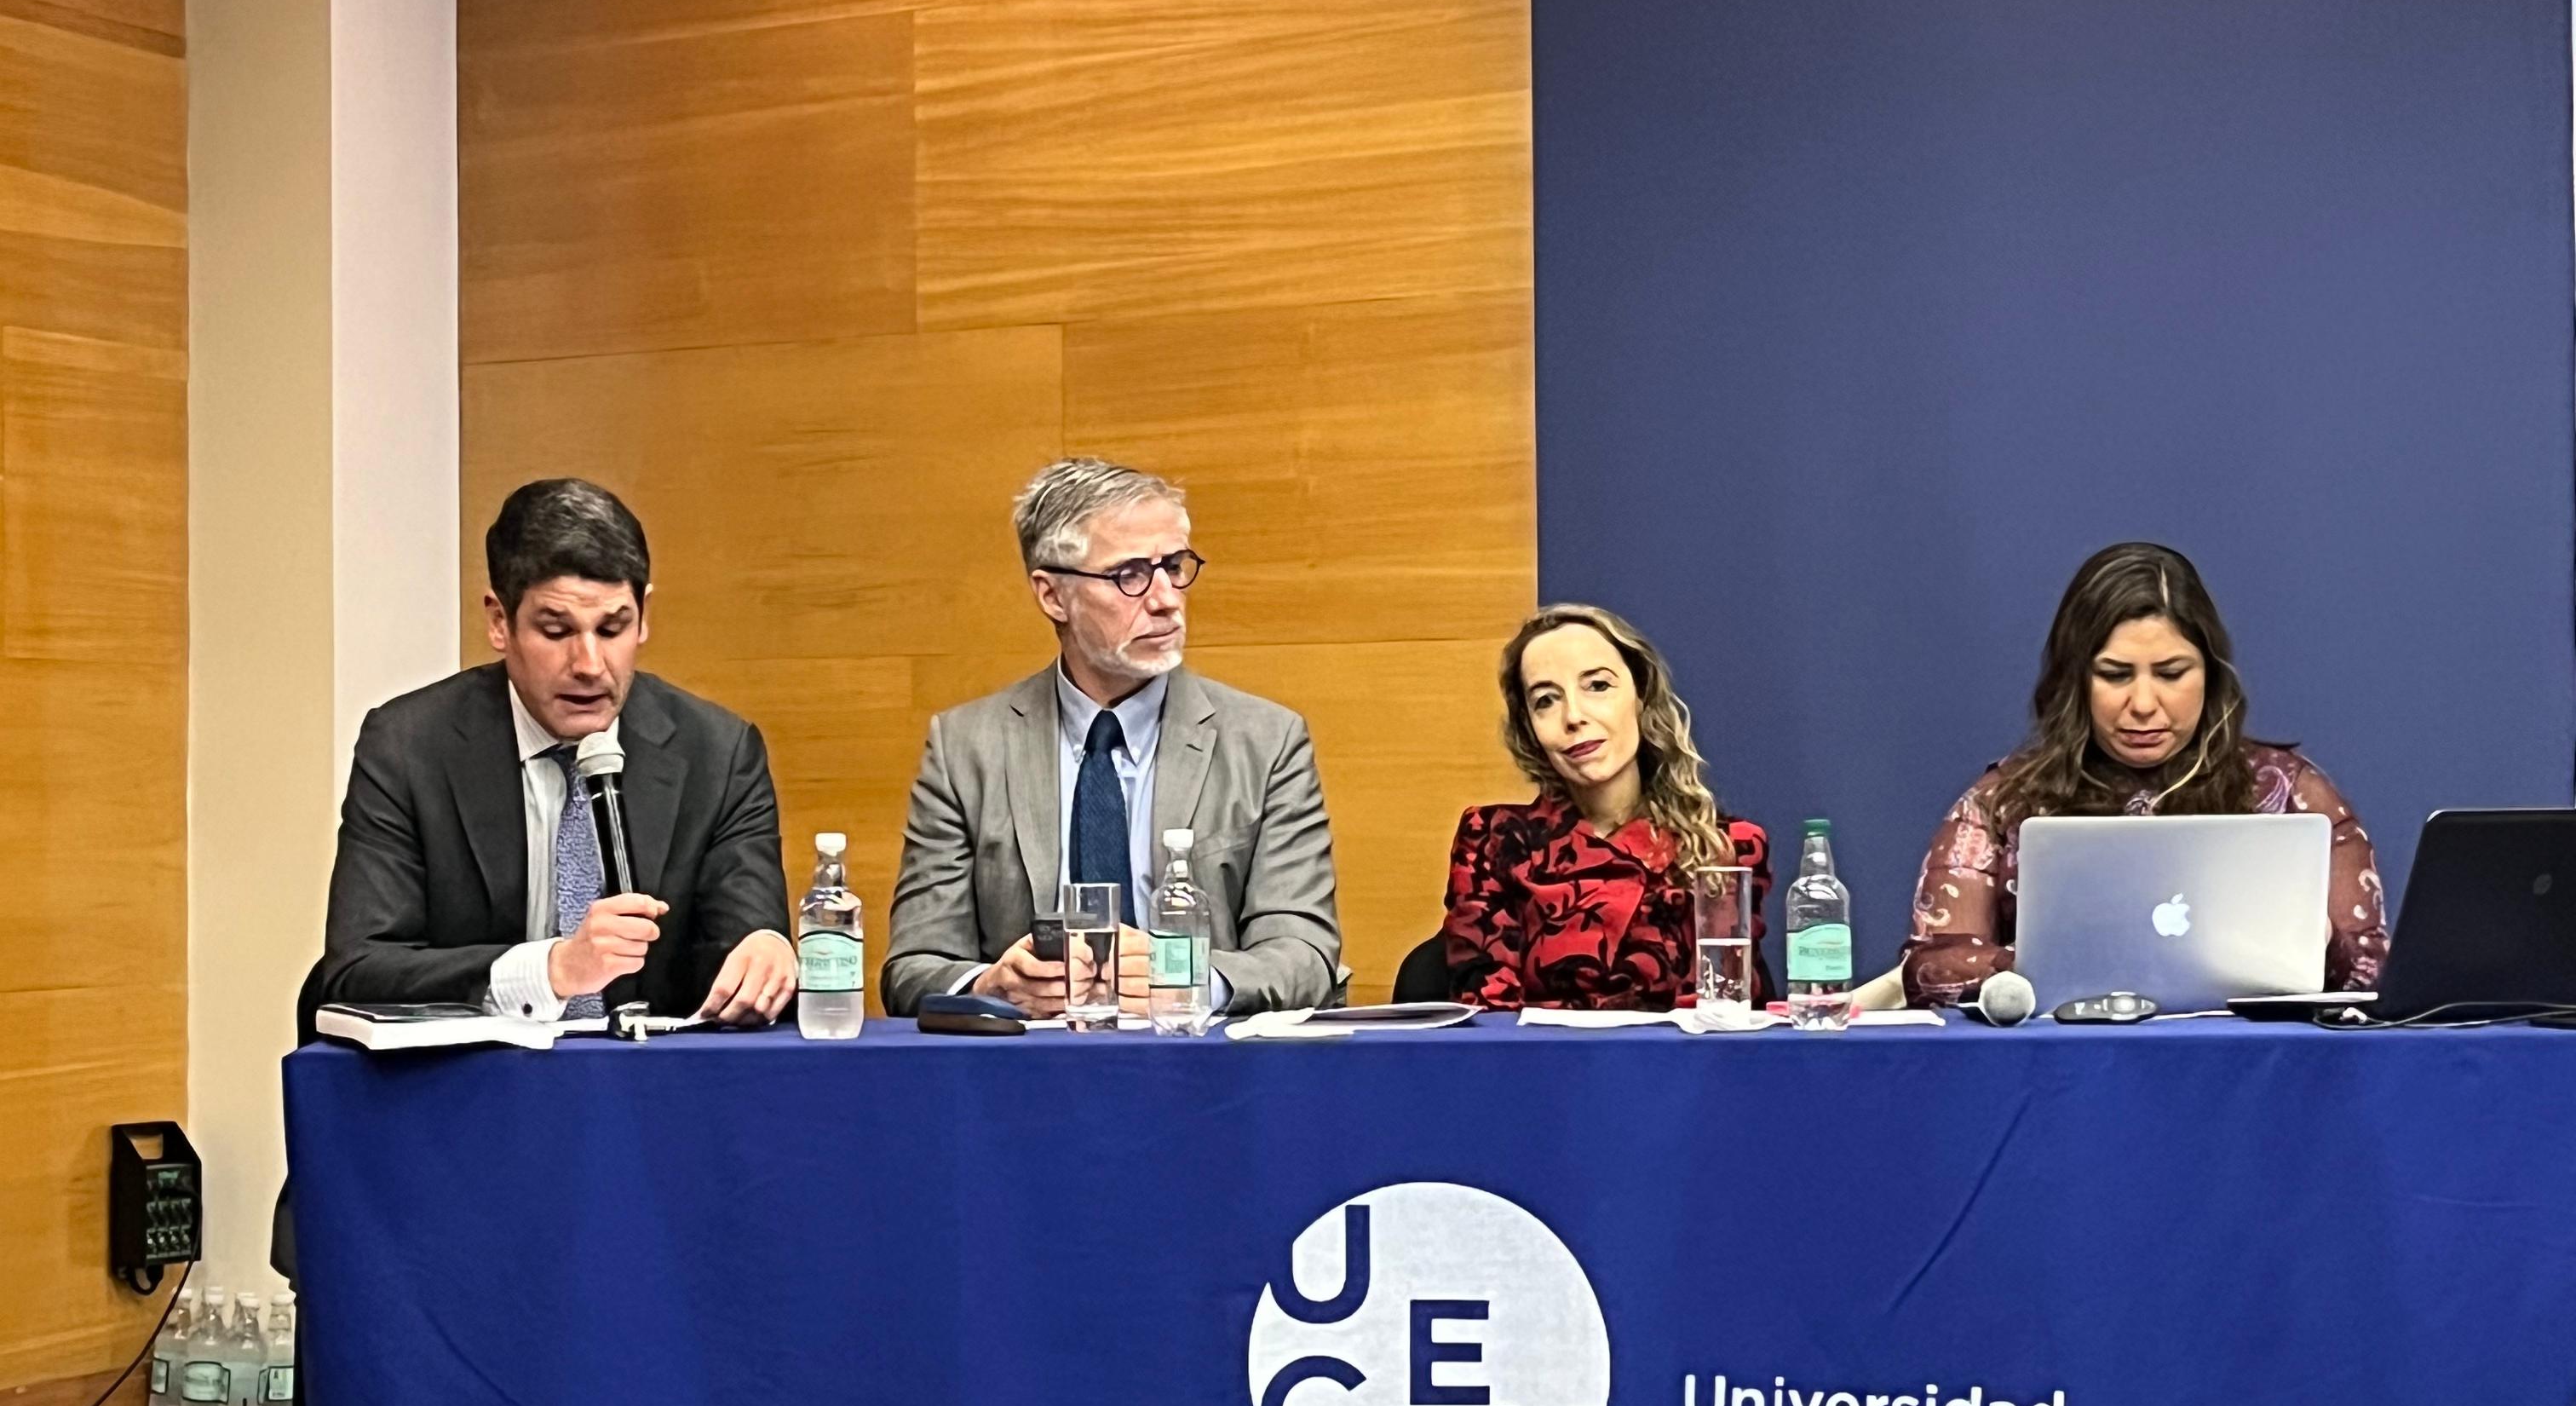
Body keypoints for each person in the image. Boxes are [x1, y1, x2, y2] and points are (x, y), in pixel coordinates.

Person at [319, 478, 797, 1026]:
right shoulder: (409, 748)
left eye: (613, 629)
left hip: (651, 1074)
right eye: (556, 630)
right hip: (478, 1072)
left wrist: (764, 952)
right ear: (500, 622)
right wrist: (551, 971)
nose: (590, 665)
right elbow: (359, 969)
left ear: (643, 615)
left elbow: (740, 942)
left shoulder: (718, 755)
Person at [882, 458, 1341, 1020]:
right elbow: (914, 965)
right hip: (1028, 1061)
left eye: (1174, 566)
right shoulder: (966, 749)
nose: (1166, 598)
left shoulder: (1265, 742)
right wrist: (992, 985)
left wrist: (1196, 981)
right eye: (1130, 575)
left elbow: (1304, 951)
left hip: (1196, 1056)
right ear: (1053, 596)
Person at [1903, 541, 2388, 1006]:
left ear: (2211, 675)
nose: (2142, 704)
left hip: (2244, 1056)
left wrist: (2326, 945)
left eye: (2172, 673)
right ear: (2075, 680)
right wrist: (2053, 966)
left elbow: (2376, 971)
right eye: (2114, 674)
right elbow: (1929, 969)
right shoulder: (2002, 804)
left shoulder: (2290, 797)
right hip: (2070, 1056)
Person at [1440, 605, 1769, 1011]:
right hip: (1537, 1053)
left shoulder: (1725, 846)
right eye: (1546, 700)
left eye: (1597, 686)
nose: (1574, 717)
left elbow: (1726, 1010)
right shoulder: (1494, 840)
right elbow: (1489, 1011)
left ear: (1641, 697)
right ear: (1530, 729)